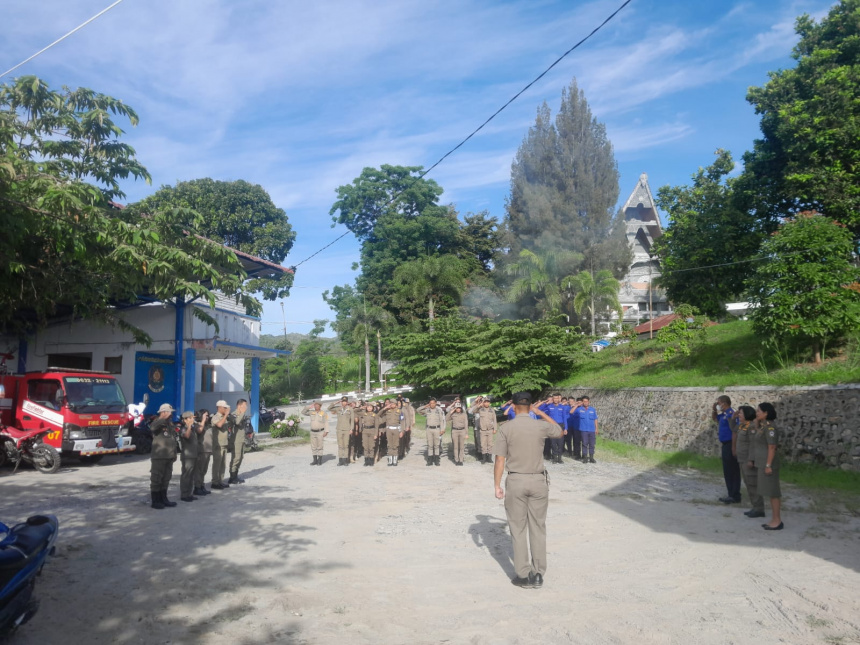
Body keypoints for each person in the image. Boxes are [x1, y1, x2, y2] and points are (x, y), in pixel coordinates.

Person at [493, 392, 563, 589]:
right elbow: (559, 430)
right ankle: (538, 573)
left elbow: (500, 459)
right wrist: (539, 412)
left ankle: (523, 575)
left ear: (514, 407)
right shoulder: (540, 425)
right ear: (530, 406)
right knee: (538, 528)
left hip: (516, 480)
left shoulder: (506, 428)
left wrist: (497, 485)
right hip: (538, 480)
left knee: (517, 528)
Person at [752, 402, 783, 530]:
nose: (756, 413)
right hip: (763, 463)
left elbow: (772, 447)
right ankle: (774, 519)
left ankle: (777, 520)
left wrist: (768, 465)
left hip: (768, 463)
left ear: (766, 413)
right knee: (770, 492)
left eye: (759, 411)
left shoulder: (770, 428)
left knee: (773, 492)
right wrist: (756, 422)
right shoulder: (763, 426)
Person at [732, 406, 764, 518]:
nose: (739, 415)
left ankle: (759, 508)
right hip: (742, 459)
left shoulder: (751, 427)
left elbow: (753, 444)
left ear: (747, 414)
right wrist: (733, 418)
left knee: (752, 484)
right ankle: (755, 507)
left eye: (741, 413)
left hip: (747, 460)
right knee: (748, 483)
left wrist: (751, 459)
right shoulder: (742, 426)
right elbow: (733, 429)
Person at [149, 403, 178, 509]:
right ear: (164, 412)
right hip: (159, 456)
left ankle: (164, 499)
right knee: (156, 478)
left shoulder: (169, 424)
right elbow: (152, 428)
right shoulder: (157, 422)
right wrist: (163, 418)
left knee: (166, 478)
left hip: (169, 456)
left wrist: (174, 453)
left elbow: (172, 440)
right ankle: (155, 501)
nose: (171, 415)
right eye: (169, 412)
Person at [713, 395, 741, 504]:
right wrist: (714, 409)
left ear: (724, 403)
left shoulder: (731, 414)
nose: (718, 405)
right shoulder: (723, 414)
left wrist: (734, 447)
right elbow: (715, 419)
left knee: (732, 470)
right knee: (728, 470)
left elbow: (735, 431)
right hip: (725, 445)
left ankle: (734, 495)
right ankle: (731, 494)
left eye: (719, 403)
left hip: (730, 444)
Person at [538, 394, 570, 463]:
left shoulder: (562, 407)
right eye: (554, 398)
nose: (555, 400)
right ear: (553, 399)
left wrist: (566, 428)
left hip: (560, 425)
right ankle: (555, 457)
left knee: (560, 443)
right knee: (553, 442)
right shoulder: (549, 406)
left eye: (557, 398)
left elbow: (565, 418)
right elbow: (539, 410)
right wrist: (546, 403)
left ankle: (559, 458)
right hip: (552, 425)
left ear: (559, 399)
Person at [417, 398, 446, 466]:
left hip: (437, 429)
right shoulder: (427, 410)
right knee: (430, 445)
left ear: (435, 403)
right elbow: (418, 410)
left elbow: (442, 421)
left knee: (436, 445)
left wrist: (442, 429)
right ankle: (429, 460)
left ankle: (436, 459)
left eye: (433, 403)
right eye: (430, 403)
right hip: (429, 429)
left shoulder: (439, 411)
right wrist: (425, 406)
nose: (432, 404)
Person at [210, 400, 232, 490]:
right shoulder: (215, 417)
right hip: (217, 444)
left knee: (223, 464)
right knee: (217, 464)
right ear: (219, 407)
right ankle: (215, 482)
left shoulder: (224, 417)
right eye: (225, 408)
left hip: (224, 443)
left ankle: (220, 481)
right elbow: (219, 425)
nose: (226, 409)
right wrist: (226, 415)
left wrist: (227, 416)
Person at [178, 411, 199, 502]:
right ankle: (184, 494)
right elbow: (186, 436)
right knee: (186, 475)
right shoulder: (184, 428)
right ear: (185, 420)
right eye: (190, 418)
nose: (192, 419)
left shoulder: (193, 429)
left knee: (191, 475)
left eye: (192, 418)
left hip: (194, 455)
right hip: (187, 456)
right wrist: (189, 426)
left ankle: (189, 493)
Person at [329, 396, 356, 466]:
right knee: (340, 445)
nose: (344, 403)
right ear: (341, 402)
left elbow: (352, 420)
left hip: (347, 429)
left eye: (345, 401)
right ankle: (340, 460)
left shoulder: (350, 409)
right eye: (342, 401)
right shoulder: (338, 408)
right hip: (339, 429)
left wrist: (351, 429)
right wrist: (335, 403)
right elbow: (329, 408)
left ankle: (345, 460)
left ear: (347, 402)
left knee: (346, 445)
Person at [228, 398, 249, 484]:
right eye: (244, 405)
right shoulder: (233, 414)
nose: (246, 407)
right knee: (236, 458)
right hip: (235, 440)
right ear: (239, 406)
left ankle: (235, 475)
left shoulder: (242, 414)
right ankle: (232, 477)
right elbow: (237, 422)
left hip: (241, 439)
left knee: (240, 458)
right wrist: (243, 412)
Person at [302, 401, 329, 465]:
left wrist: (326, 431)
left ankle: (319, 460)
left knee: (320, 446)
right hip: (313, 432)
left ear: (320, 406)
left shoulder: (323, 413)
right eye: (315, 405)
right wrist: (309, 407)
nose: (316, 406)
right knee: (313, 446)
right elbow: (303, 412)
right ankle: (315, 460)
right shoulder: (311, 412)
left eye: (317, 405)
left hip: (320, 432)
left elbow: (326, 422)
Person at [572, 397, 598, 463]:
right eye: (584, 401)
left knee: (592, 444)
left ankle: (591, 457)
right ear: (582, 402)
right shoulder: (579, 409)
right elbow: (571, 412)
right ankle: (585, 457)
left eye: (587, 401)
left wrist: (596, 428)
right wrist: (577, 405)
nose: (585, 402)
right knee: (584, 444)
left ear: (589, 402)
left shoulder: (592, 409)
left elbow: (595, 419)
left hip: (592, 429)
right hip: (583, 430)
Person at [193, 409, 212, 497]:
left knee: (204, 470)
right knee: (199, 470)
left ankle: (201, 485)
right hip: (201, 450)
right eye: (205, 415)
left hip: (208, 450)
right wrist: (203, 420)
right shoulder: (197, 424)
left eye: (207, 416)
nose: (207, 417)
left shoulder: (208, 425)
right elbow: (199, 431)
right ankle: (197, 487)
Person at [379, 399, 403, 467]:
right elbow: (378, 415)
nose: (392, 405)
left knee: (395, 445)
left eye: (393, 404)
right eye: (391, 403)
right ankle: (390, 460)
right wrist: (385, 408)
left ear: (396, 404)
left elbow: (402, 422)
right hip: (389, 429)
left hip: (396, 429)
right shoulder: (386, 411)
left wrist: (401, 431)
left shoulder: (399, 411)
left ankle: (395, 460)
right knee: (389, 445)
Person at [475, 396, 498, 464]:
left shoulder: (492, 410)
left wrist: (495, 429)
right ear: (483, 403)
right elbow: (472, 411)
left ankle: (489, 458)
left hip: (490, 430)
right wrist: (479, 405)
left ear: (489, 403)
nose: (487, 403)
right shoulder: (480, 410)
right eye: (485, 402)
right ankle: (484, 458)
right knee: (483, 444)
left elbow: (494, 420)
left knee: (490, 444)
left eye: (488, 402)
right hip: (483, 430)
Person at [359, 402, 380, 466]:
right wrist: (361, 407)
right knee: (365, 446)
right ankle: (366, 460)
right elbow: (355, 411)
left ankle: (371, 460)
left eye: (371, 407)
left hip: (372, 431)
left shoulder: (375, 415)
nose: (369, 408)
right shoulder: (364, 414)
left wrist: (376, 434)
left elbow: (376, 426)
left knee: (371, 446)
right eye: (368, 407)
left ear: (373, 408)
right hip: (365, 431)